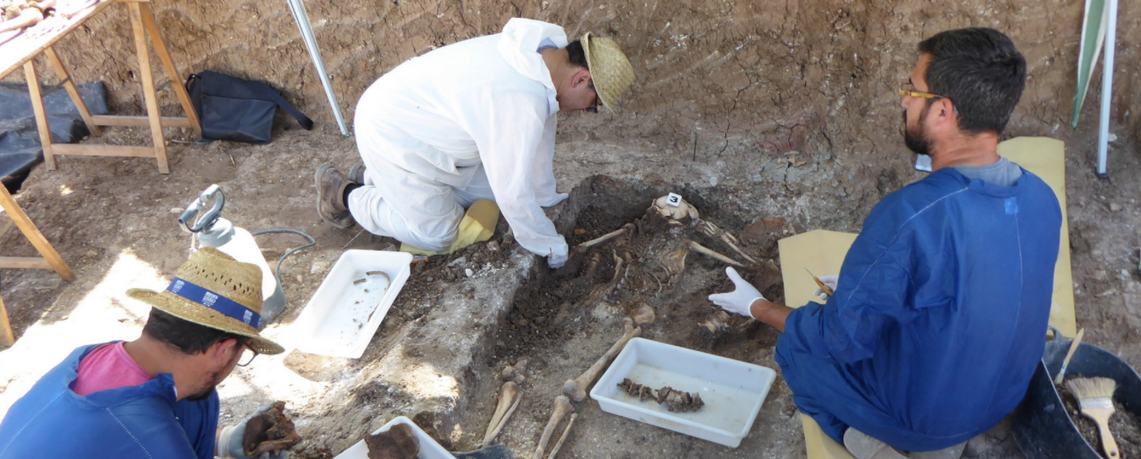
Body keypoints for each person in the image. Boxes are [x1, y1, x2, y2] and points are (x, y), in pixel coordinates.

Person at [708, 28, 1061, 458]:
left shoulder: (912, 216)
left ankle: (873, 444)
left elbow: (840, 340)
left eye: (913, 90)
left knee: (798, 350)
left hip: (929, 424)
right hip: (1007, 398)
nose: (903, 100)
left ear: (944, 111)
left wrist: (757, 307)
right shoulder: (1041, 195)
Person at [315, 17, 635, 268]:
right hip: (392, 134)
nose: (586, 111)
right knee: (439, 236)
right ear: (580, 79)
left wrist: (547, 199)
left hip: (430, 134)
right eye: (593, 104)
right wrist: (550, 245)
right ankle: (346, 194)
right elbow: (513, 192)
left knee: (490, 200)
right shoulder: (520, 98)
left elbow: (535, 151)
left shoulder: (541, 60)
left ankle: (377, 177)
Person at [0, 248, 289, 459]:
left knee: (199, 397)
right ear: (224, 349)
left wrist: (223, 442)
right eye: (242, 353)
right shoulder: (151, 440)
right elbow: (137, 438)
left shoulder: (92, 357)